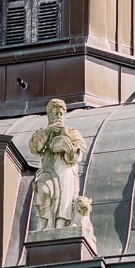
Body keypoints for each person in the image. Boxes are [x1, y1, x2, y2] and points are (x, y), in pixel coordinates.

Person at [29, 98, 86, 230]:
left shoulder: (71, 132)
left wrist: (71, 151)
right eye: (55, 113)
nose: (58, 116)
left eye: (61, 113)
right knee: (43, 191)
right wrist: (48, 131)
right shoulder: (43, 132)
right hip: (47, 170)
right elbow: (34, 147)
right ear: (49, 115)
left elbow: (80, 148)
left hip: (65, 169)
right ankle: (43, 224)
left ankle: (60, 224)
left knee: (64, 195)